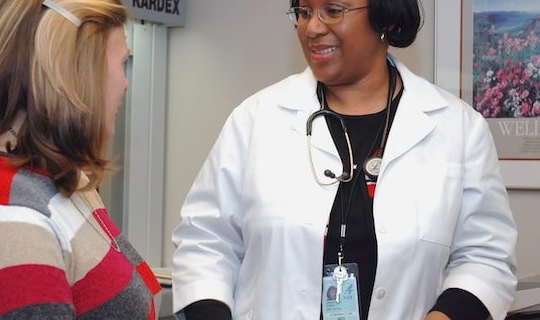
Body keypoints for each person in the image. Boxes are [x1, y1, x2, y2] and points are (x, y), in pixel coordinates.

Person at [171, 0, 517, 319]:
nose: (312, 28)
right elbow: (205, 243)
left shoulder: (457, 128)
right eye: (304, 11)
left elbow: (486, 258)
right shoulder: (256, 119)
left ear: (384, 16)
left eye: (333, 10)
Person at [0, 0, 161, 319]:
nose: (125, 82)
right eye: (122, 63)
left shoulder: (62, 178)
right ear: (76, 74)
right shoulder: (1, 217)